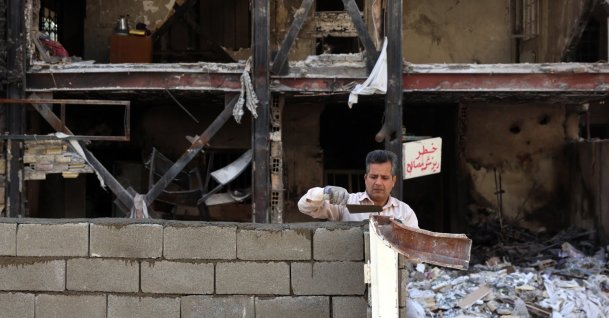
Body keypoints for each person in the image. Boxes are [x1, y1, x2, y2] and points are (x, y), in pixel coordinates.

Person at [298, 149, 418, 227]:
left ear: (393, 181)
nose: (378, 182)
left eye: (385, 178)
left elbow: (415, 251)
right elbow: (304, 207)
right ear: (365, 178)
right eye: (373, 176)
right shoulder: (347, 203)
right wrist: (323, 192)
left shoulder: (404, 212)